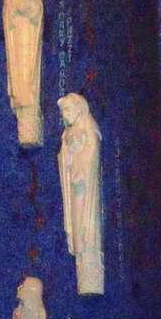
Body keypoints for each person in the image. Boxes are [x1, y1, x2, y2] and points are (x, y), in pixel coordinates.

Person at [57, 93, 104, 295]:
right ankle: (83, 271)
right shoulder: (67, 134)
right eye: (62, 112)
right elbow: (63, 158)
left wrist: (78, 163)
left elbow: (91, 156)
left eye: (67, 109)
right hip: (75, 190)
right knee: (77, 230)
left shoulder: (89, 129)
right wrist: (67, 156)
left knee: (87, 229)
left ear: (79, 108)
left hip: (86, 190)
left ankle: (92, 275)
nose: (64, 115)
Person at [3, 0, 44, 147]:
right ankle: (24, 118)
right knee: (18, 80)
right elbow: (8, 20)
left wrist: (24, 7)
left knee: (27, 78)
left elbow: (36, 14)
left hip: (28, 38)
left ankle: (31, 126)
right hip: (15, 42)